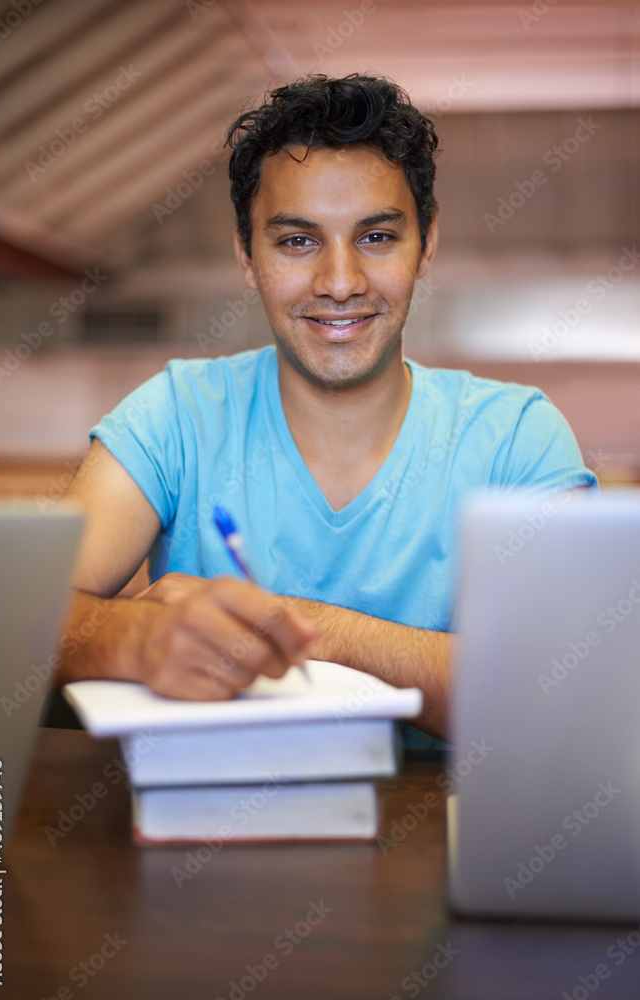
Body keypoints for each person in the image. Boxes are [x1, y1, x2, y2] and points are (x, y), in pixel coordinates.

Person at [59, 74, 596, 748]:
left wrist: (301, 627)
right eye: (296, 241)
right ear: (246, 255)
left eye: (375, 237)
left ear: (425, 243)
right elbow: (16, 617)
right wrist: (130, 636)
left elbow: (559, 688)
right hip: (204, 825)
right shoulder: (174, 416)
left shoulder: (518, 438)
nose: (339, 283)